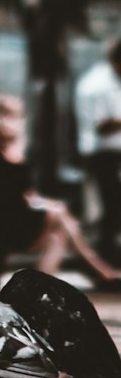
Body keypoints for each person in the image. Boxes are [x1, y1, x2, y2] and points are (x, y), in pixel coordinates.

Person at [0, 91, 121, 282]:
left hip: (11, 216)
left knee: (56, 237)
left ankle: (37, 290)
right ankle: (96, 268)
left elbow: (22, 190)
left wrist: (15, 149)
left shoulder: (6, 146)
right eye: (9, 116)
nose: (16, 122)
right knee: (58, 213)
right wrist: (14, 152)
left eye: (18, 116)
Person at [74, 40, 121, 264]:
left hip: (113, 151)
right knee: (111, 204)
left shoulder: (112, 80)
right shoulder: (97, 84)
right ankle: (106, 256)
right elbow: (100, 125)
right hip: (102, 153)